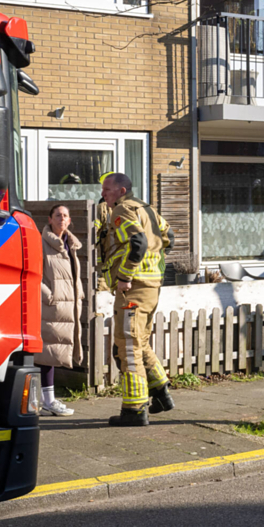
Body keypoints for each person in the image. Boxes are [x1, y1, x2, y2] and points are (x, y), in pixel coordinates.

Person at [101, 172, 175, 426]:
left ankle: (134, 410)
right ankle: (160, 393)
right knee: (139, 343)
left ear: (121, 191)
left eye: (107, 190)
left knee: (126, 348)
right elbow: (169, 237)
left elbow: (138, 242)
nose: (103, 194)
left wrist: (125, 275)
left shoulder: (123, 209)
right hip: (151, 286)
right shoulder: (148, 209)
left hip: (132, 288)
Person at [35, 204, 82, 416]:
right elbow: (34, 274)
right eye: (57, 215)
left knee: (53, 353)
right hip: (50, 306)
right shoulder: (41, 243)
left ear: (69, 221)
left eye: (65, 216)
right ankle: (48, 401)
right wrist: (49, 296)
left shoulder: (70, 244)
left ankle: (47, 401)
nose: (61, 219)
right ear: (50, 219)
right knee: (48, 353)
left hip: (68, 306)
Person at [94, 171, 115, 293]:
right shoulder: (131, 208)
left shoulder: (102, 208)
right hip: (122, 264)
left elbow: (92, 233)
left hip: (106, 263)